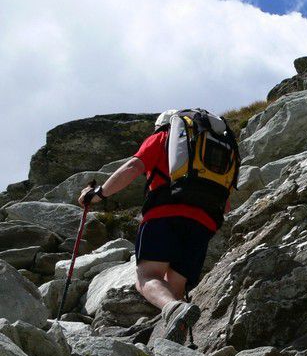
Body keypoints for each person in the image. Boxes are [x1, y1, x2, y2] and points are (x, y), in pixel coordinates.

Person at [78, 109, 235, 343]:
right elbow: (226, 204)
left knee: (147, 276)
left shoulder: (163, 137)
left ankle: (173, 309)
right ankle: (172, 337)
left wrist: (98, 194)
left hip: (165, 214)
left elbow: (133, 167)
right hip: (205, 222)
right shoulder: (215, 148)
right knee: (175, 285)